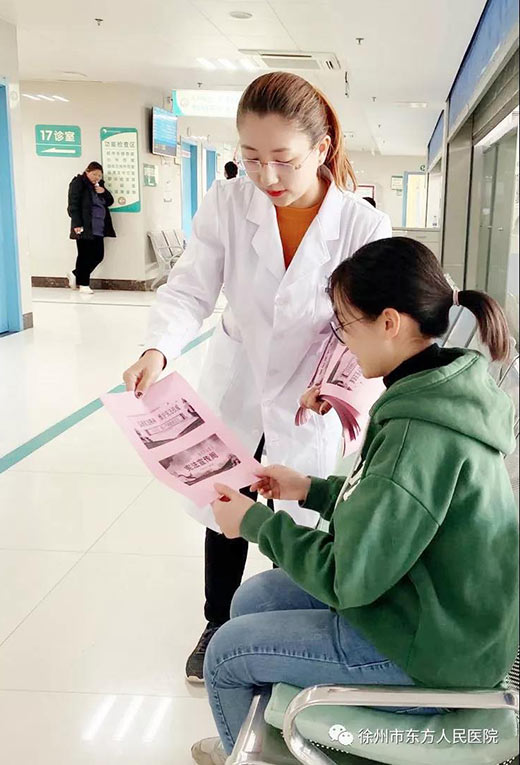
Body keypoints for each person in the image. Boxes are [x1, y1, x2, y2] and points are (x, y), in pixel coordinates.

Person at [192, 237, 518, 764]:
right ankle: (259, 743)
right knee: (256, 599)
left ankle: (249, 749)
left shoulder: (416, 431)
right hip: (439, 613)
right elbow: (393, 513)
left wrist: (255, 523)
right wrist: (309, 489)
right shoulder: (438, 389)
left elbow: (348, 576)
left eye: (345, 325)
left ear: (389, 323)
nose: (342, 342)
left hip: (432, 652)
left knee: (227, 654)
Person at [122, 72, 392, 684]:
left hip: (313, 388)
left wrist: (341, 385)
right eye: (250, 158)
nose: (266, 176)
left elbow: (371, 322)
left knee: (297, 508)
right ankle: (217, 622)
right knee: (225, 498)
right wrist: (158, 350)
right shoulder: (228, 202)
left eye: (283, 159)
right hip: (240, 373)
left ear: (321, 149)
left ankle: (287, 624)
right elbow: (191, 287)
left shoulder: (360, 226)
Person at [67, 161, 116, 293]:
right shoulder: (78, 183)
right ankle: (84, 284)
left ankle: (75, 274)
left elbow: (110, 201)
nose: (97, 177)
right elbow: (73, 205)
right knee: (84, 255)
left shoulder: (99, 186)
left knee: (98, 255)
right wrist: (77, 224)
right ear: (87, 171)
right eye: (94, 174)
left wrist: (103, 192)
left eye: (99, 175)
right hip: (85, 226)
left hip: (99, 227)